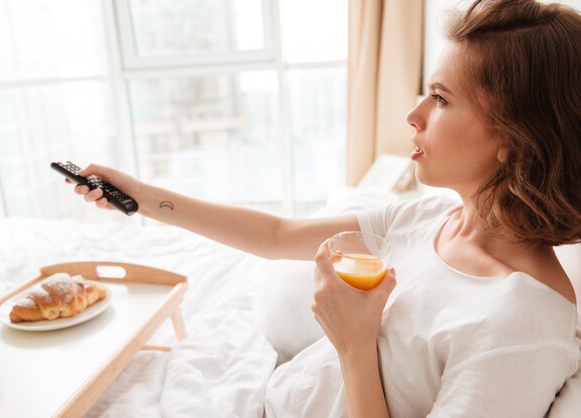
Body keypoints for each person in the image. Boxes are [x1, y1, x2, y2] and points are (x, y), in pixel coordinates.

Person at [68, 0, 581, 416]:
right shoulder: (431, 219)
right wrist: (139, 196)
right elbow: (277, 235)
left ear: (514, 139)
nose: (414, 114)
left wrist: (354, 344)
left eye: (442, 99)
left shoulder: (522, 324)